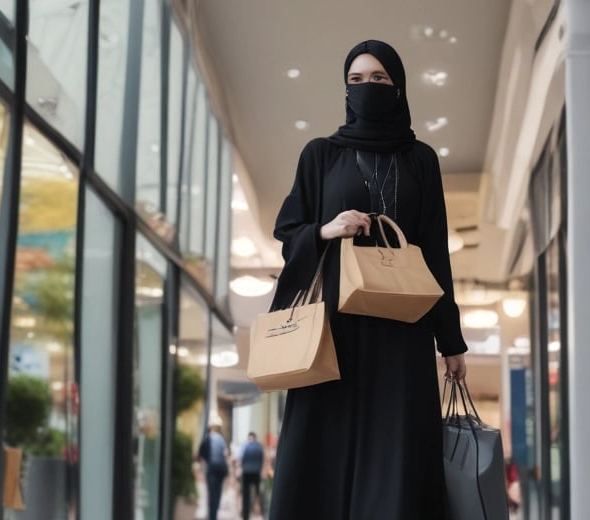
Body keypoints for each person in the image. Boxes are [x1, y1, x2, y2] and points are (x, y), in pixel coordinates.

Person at [268, 40, 469, 519]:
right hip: (335, 327)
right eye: (356, 81)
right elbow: (288, 231)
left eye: (378, 79)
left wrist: (451, 340)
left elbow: (435, 251)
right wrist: (326, 228)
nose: (366, 88)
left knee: (396, 448)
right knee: (324, 444)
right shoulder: (321, 154)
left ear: (397, 87)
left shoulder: (421, 159)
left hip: (403, 328)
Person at [197, 415, 229, 520]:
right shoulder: (222, 439)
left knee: (212, 493)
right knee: (218, 492)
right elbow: (226, 454)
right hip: (220, 470)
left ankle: (212, 516)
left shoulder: (207, 438)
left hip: (211, 469)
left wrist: (206, 462)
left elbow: (201, 453)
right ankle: (214, 514)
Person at [238, 432, 265, 520]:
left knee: (246, 495)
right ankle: (261, 513)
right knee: (258, 494)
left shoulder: (245, 446)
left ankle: (246, 515)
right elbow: (262, 460)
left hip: (246, 473)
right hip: (256, 473)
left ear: (249, 437)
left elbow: (241, 458)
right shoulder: (259, 447)